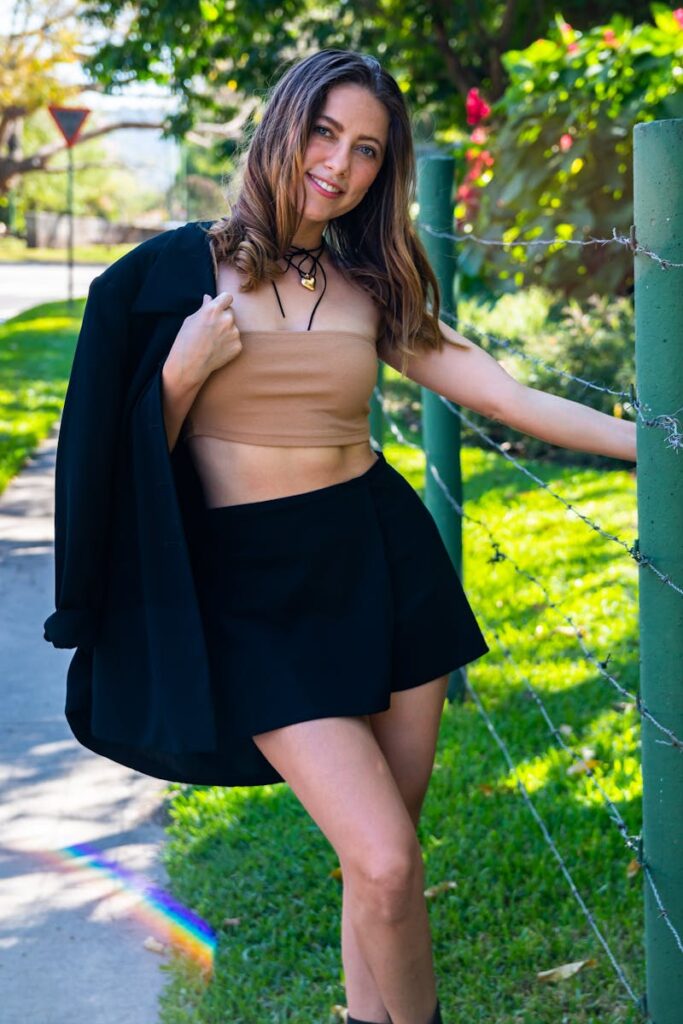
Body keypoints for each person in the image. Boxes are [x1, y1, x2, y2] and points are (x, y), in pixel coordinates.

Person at [46, 49, 637, 1024]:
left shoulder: (370, 279)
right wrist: (179, 378)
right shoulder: (162, 278)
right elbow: (107, 468)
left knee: (381, 866)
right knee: (383, 858)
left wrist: (649, 446)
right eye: (325, 133)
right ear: (283, 122)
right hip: (257, 599)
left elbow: (501, 391)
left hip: (382, 567)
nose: (340, 165)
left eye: (367, 150)